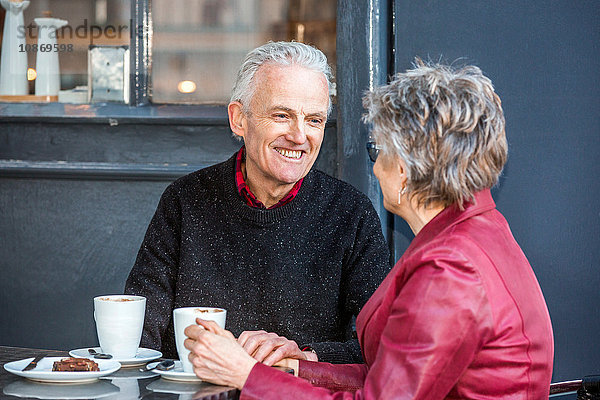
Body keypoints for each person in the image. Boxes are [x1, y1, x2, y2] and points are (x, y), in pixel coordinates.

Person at [182, 60, 555, 399]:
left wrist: (246, 374)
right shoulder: (479, 232)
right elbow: (392, 377)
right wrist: (296, 368)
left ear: (406, 170)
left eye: (379, 151)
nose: (375, 168)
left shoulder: (450, 269)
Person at [124, 41, 391, 364]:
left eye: (314, 120)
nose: (299, 135)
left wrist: (306, 357)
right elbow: (137, 331)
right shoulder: (185, 200)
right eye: (282, 115)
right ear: (239, 119)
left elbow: (385, 343)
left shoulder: (351, 213)